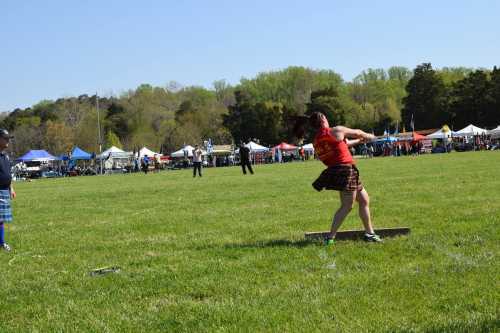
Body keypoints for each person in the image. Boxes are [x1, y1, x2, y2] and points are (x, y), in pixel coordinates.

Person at [293, 112, 382, 246]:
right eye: (326, 117)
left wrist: (359, 141)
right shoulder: (336, 130)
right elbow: (357, 132)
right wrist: (369, 136)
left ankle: (369, 234)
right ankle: (330, 237)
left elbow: (342, 145)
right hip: (345, 170)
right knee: (347, 206)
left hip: (340, 170)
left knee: (364, 200)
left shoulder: (317, 140)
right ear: (323, 120)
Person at [0, 129, 16, 252]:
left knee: (1, 220)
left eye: (8, 138)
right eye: (5, 138)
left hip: (5, 190)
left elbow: (7, 173)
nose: (8, 141)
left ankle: (1, 243)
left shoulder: (5, 155)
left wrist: (11, 188)